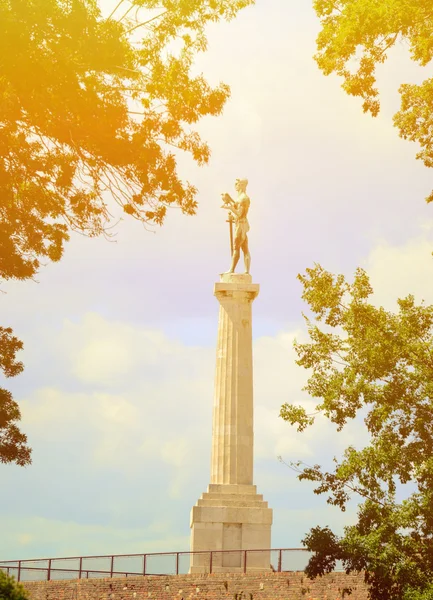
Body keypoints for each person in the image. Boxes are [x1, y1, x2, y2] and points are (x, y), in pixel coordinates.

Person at [221, 178, 251, 274]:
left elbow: (239, 214)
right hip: (240, 224)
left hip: (241, 226)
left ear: (242, 185)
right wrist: (232, 218)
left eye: (237, 184)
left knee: (237, 247)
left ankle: (232, 269)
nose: (236, 186)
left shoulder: (244, 198)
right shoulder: (240, 198)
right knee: (244, 247)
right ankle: (245, 271)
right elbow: (238, 215)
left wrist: (229, 207)